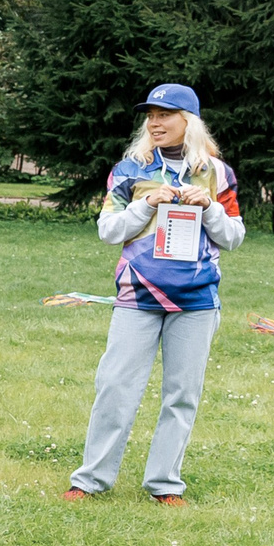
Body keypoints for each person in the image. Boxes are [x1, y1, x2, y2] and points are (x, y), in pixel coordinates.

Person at [64, 83, 244, 508]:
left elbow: (234, 237)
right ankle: (90, 480)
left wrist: (210, 208)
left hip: (197, 301)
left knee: (182, 394)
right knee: (115, 387)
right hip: (137, 297)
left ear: (189, 121)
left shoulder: (217, 173)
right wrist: (146, 205)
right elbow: (108, 231)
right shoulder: (130, 169)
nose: (155, 123)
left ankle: (165, 484)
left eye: (165, 114)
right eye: (151, 115)